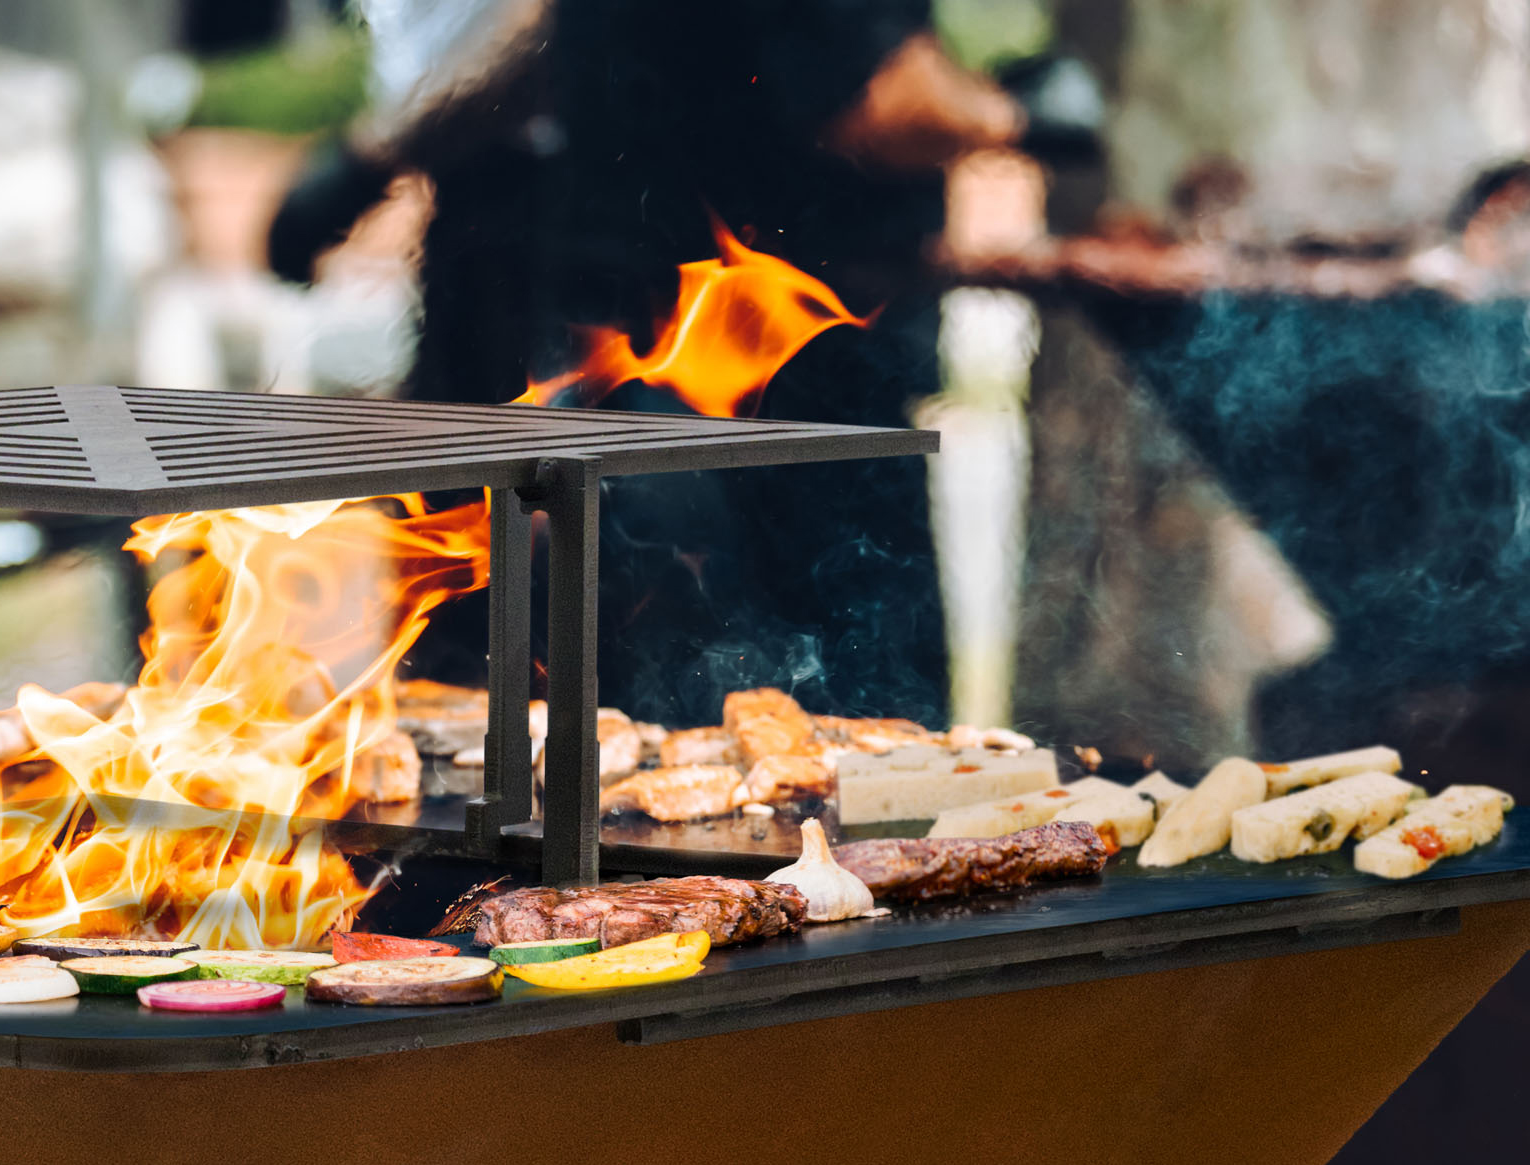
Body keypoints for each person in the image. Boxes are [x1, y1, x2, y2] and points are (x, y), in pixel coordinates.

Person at [282, 1, 1024, 723]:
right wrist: (1016, 111)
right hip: (778, 399)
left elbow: (531, 36)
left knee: (585, 745)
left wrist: (373, 152)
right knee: (828, 759)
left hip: (611, 359)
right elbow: (883, 100)